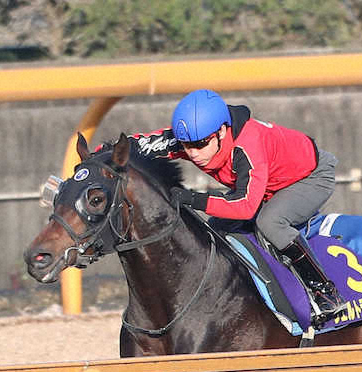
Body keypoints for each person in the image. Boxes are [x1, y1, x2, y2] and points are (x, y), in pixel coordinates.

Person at [130, 89, 347, 324]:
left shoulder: (248, 145)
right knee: (215, 229)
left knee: (270, 222)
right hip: (268, 185)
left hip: (310, 178)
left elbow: (245, 207)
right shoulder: (200, 135)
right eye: (186, 145)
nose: (193, 154)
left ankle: (324, 291)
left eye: (201, 144)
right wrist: (99, 156)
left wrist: (193, 199)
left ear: (222, 131)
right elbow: (139, 145)